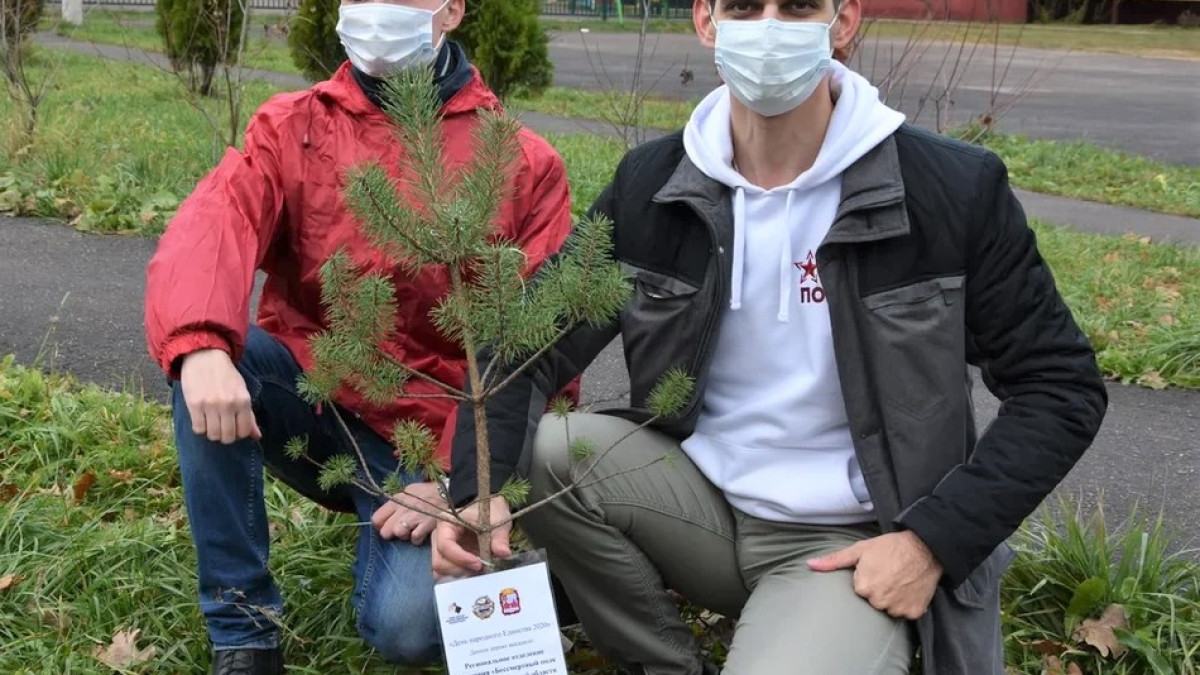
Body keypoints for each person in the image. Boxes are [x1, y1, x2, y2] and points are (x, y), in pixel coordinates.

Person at [432, 0, 1108, 673]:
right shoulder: (655, 185)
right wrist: (475, 492)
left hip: (847, 544)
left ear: (844, 21)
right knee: (553, 449)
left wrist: (931, 542)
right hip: (698, 506)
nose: (769, 28)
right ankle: (663, 662)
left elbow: (1060, 385)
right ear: (706, 21)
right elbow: (524, 346)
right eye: (745, 7)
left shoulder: (951, 189)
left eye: (798, 7)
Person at [143, 1, 576, 673]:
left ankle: (556, 579)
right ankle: (243, 633)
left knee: (408, 630)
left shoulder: (521, 163)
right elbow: (216, 221)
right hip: (316, 397)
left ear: (452, 11)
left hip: (440, 437)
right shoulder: (294, 128)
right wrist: (200, 344)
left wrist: (456, 481)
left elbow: (536, 353)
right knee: (214, 357)